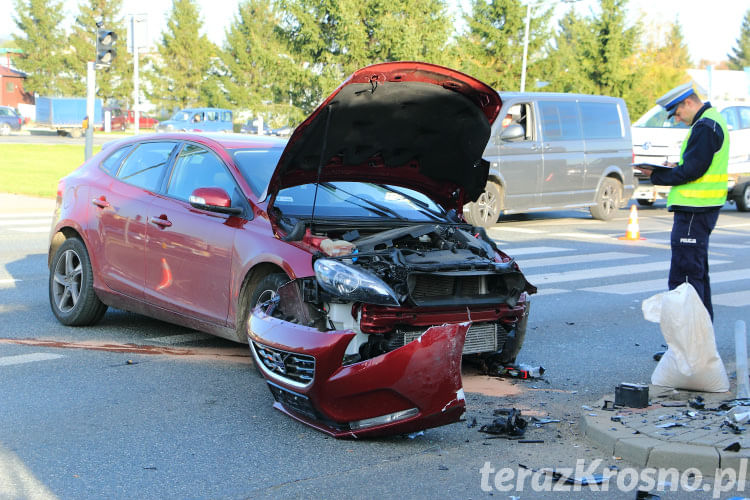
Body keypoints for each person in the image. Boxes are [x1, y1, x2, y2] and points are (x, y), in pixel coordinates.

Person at [639, 83, 729, 321]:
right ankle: (700, 342)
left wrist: (657, 175)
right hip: (700, 209)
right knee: (696, 276)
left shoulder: (704, 127)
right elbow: (697, 166)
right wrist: (675, 168)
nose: (678, 119)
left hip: (694, 210)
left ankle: (687, 346)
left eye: (677, 113)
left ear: (688, 102)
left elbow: (693, 170)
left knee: (685, 278)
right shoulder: (712, 120)